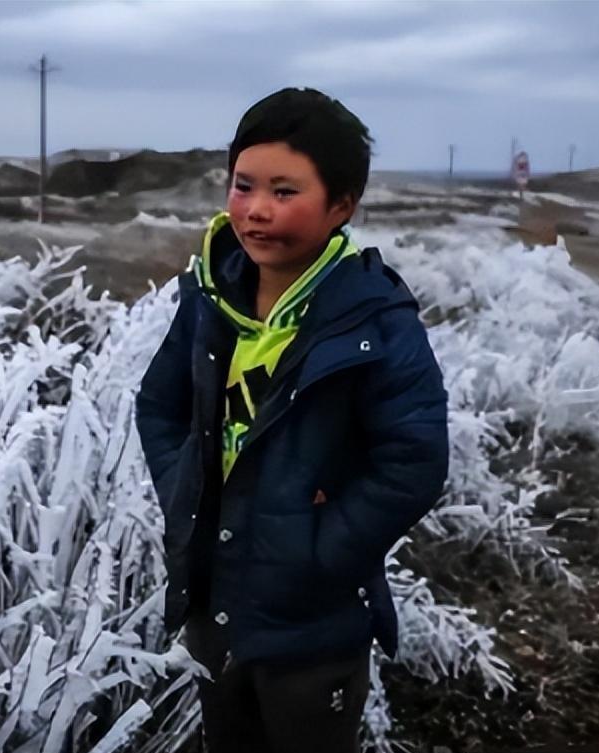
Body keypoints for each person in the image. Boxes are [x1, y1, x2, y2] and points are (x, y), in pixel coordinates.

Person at [134, 87, 449, 753]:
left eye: (284, 191)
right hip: (213, 604)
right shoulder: (210, 299)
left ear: (341, 205)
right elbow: (158, 407)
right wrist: (183, 493)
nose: (255, 211)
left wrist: (319, 552)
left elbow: (414, 461)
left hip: (314, 626)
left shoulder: (375, 322)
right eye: (243, 185)